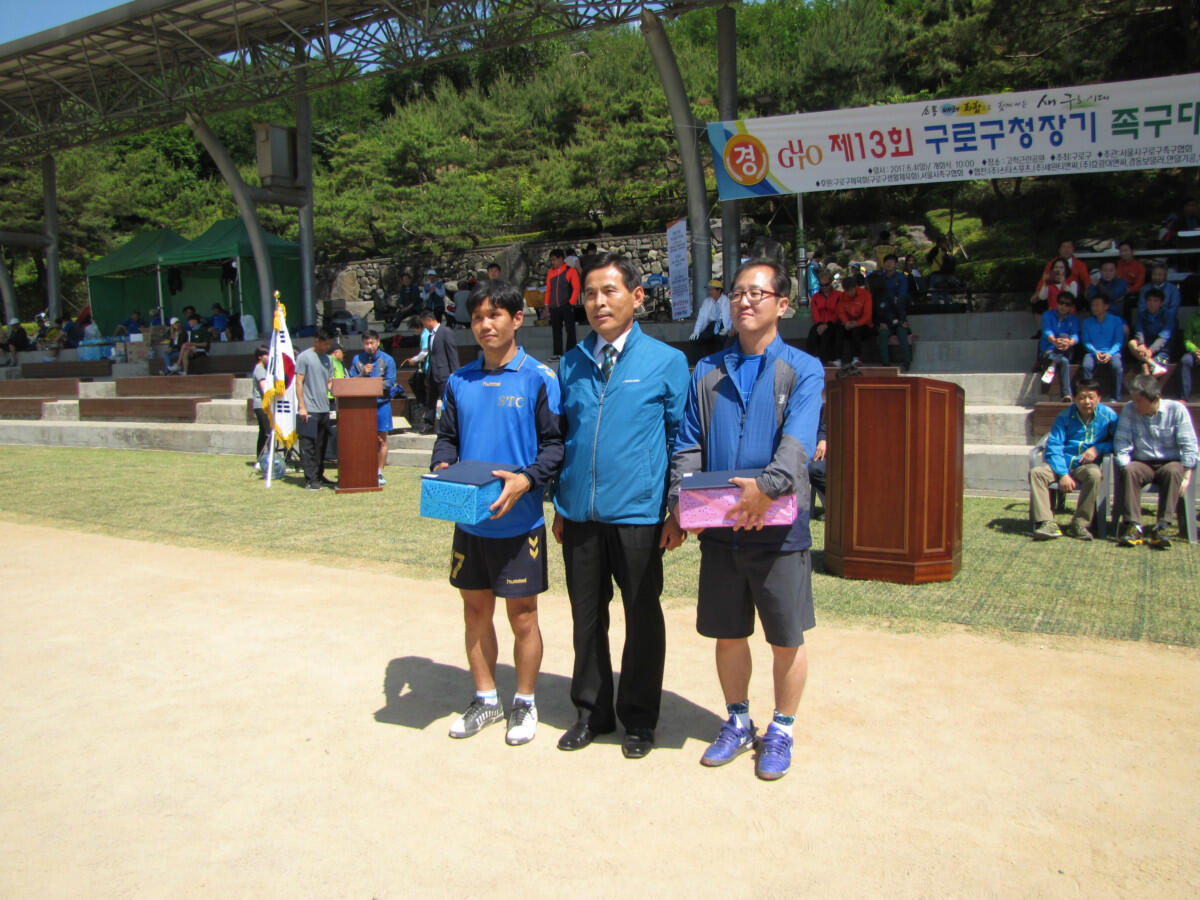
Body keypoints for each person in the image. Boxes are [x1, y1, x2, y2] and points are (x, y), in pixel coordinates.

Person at [669, 257, 824, 781]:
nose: (745, 301)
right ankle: (737, 721)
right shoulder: (707, 370)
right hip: (721, 527)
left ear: (782, 304)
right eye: (737, 292)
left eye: (757, 293)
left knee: (786, 636)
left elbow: (798, 441)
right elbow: (688, 442)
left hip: (779, 529)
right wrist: (682, 499)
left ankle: (782, 728)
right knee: (728, 632)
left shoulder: (803, 369)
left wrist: (767, 489)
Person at [553, 253, 690, 760]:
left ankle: (639, 718)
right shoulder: (570, 363)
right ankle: (591, 713)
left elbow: (681, 440)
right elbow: (564, 438)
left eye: (609, 291)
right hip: (580, 516)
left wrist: (676, 509)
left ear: (637, 296)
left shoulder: (666, 361)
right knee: (586, 619)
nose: (598, 302)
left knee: (642, 617)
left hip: (639, 515)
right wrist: (561, 503)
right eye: (590, 293)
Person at [430, 279, 564, 745]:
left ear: (517, 319)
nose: (485, 325)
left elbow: (555, 446)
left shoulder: (540, 378)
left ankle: (524, 702)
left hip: (520, 523)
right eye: (477, 318)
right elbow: (447, 438)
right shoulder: (459, 381)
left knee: (523, 615)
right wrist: (442, 464)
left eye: (495, 315)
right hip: (471, 522)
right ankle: (486, 699)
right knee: (474, 611)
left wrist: (526, 479)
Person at [1114, 374, 1198, 548]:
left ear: (1155, 398)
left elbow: (1189, 445)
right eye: (1133, 400)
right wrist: (1124, 464)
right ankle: (1133, 525)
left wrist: (1187, 474)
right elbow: (1121, 442)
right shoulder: (1129, 409)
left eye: (1139, 401)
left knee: (1174, 471)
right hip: (1142, 461)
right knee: (1129, 470)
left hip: (1170, 461)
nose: (1135, 404)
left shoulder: (1177, 410)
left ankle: (1162, 526)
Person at [1028, 379, 1118, 541]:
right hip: (1061, 463)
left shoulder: (1109, 417)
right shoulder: (1065, 417)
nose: (1086, 402)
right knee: (1037, 473)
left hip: (1085, 466)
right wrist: (1063, 474)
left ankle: (1079, 523)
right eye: (1082, 398)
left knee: (1094, 474)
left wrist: (1098, 448)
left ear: (1099, 398)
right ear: (1075, 399)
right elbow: (1054, 446)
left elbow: (1118, 441)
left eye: (1091, 397)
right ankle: (1047, 523)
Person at [350, 330, 397, 486]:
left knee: (381, 440)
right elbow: (351, 381)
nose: (369, 346)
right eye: (366, 343)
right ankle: (364, 468)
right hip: (362, 405)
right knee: (362, 439)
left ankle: (379, 472)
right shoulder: (357, 359)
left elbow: (390, 382)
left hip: (381, 404)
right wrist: (363, 373)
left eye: (372, 343)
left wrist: (372, 384)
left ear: (378, 342)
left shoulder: (387, 360)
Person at [294, 327, 336, 491]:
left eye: (329, 344)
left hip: (324, 408)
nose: (327, 347)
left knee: (321, 445)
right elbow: (299, 382)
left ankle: (319, 475)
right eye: (325, 344)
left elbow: (329, 381)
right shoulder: (304, 357)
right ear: (317, 341)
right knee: (308, 446)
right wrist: (302, 406)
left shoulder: (328, 359)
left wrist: (335, 388)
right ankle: (310, 479)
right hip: (309, 409)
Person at [415, 308, 458, 435]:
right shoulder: (430, 336)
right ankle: (428, 424)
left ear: (429, 320)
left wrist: (454, 373)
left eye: (424, 323)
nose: (424, 326)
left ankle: (448, 425)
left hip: (444, 373)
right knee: (430, 401)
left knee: (447, 401)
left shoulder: (445, 332)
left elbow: (452, 353)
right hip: (433, 373)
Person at [1080, 294, 1124, 400]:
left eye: (1097, 305)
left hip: (1112, 352)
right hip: (1093, 352)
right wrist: (1095, 352)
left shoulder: (1116, 320)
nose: (1094, 308)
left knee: (1117, 367)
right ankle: (1089, 395)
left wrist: (1110, 353)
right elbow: (1086, 341)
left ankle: (1115, 398)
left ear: (1106, 306)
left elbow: (1118, 341)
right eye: (1093, 305)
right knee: (1086, 366)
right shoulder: (1087, 322)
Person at [1038, 291, 1080, 397]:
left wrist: (1069, 342)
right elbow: (1047, 331)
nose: (1063, 306)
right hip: (1049, 350)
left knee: (1064, 335)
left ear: (1071, 307)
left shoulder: (1074, 319)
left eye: (1067, 304)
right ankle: (1067, 394)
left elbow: (1075, 336)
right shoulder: (1048, 315)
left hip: (1066, 349)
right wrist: (1054, 341)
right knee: (1064, 362)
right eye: (1061, 303)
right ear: (1057, 303)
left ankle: (1053, 363)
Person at [875, 254, 911, 371]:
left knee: (902, 333)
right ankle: (885, 364)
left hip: (898, 314)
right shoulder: (880, 278)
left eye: (891, 262)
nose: (888, 264)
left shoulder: (901, 277)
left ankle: (907, 362)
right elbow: (876, 299)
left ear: (896, 264)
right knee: (883, 334)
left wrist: (902, 319)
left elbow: (902, 298)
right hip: (885, 316)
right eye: (886, 262)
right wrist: (880, 321)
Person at [544, 248, 580, 360]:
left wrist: (571, 303)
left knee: (570, 329)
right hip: (554, 306)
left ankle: (571, 352)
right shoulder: (550, 273)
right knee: (556, 330)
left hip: (567, 305)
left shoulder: (571, 271)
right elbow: (548, 290)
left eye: (554, 260)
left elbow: (576, 288)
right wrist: (547, 305)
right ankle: (557, 353)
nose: (552, 262)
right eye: (551, 260)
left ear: (561, 259)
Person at [1129, 288, 1172, 377]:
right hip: (1144, 348)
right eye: (1149, 300)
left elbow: (1163, 338)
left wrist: (1150, 350)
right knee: (1132, 343)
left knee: (1145, 368)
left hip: (1161, 349)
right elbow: (1139, 331)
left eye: (1155, 301)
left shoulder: (1168, 315)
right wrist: (1141, 344)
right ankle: (1152, 364)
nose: (1152, 303)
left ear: (1161, 303)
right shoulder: (1141, 315)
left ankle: (1149, 365)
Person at [805, 269, 842, 365]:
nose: (824, 287)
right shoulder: (816, 297)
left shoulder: (838, 295)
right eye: (821, 285)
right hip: (820, 322)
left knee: (831, 332)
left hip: (834, 322)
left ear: (830, 283)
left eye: (826, 284)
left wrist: (828, 324)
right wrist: (820, 324)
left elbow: (838, 311)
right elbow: (815, 312)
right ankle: (812, 357)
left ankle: (833, 358)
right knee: (813, 333)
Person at [836, 275, 873, 366]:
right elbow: (841, 312)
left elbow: (867, 315)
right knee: (838, 330)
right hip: (849, 324)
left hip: (865, 325)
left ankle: (856, 358)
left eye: (852, 290)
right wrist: (846, 322)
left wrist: (857, 323)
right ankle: (838, 359)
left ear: (855, 287)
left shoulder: (865, 295)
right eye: (847, 291)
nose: (850, 293)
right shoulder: (842, 297)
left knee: (856, 330)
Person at [690, 279, 732, 353]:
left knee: (722, 340)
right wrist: (696, 331)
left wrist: (727, 328)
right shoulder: (707, 301)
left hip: (722, 326)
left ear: (719, 290)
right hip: (711, 326)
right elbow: (701, 317)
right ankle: (699, 359)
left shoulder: (726, 301)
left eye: (712, 290)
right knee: (695, 340)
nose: (710, 292)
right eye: (709, 290)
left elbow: (729, 316)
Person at [1137, 263, 1182, 328]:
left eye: (1160, 275)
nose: (1157, 277)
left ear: (1165, 276)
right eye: (1154, 274)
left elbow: (1173, 309)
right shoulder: (1145, 289)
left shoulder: (1173, 289)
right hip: (1148, 321)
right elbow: (1142, 308)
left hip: (1167, 321)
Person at [250, 345, 272, 460]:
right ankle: (266, 458)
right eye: (266, 355)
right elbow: (264, 388)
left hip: (261, 405)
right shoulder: (260, 369)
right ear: (260, 357)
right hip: (261, 405)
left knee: (263, 433)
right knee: (267, 432)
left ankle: (260, 457)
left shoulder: (262, 369)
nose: (268, 357)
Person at [925, 235, 958, 305]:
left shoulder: (936, 250)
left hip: (937, 273)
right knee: (945, 291)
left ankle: (937, 307)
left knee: (934, 291)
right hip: (946, 274)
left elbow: (929, 258)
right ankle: (947, 305)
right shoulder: (946, 251)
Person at [1181, 311, 1200, 402]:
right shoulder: (1193, 317)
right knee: (1185, 360)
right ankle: (1185, 398)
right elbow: (1187, 339)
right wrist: (1196, 351)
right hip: (1195, 352)